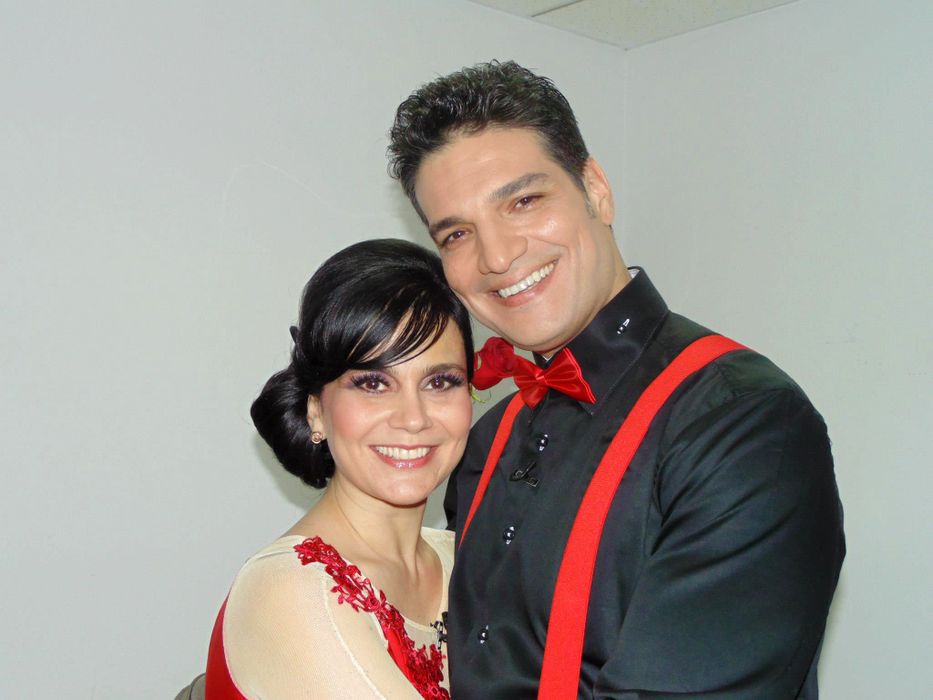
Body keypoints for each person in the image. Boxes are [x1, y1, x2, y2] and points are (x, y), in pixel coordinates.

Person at [388, 61, 845, 698]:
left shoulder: (745, 420)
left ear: (596, 189)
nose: (497, 256)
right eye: (458, 234)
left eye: (523, 201)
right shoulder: (484, 441)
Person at [203, 239, 474, 699]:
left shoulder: (469, 561)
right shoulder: (291, 590)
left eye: (440, 381)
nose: (413, 418)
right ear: (316, 409)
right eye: (373, 383)